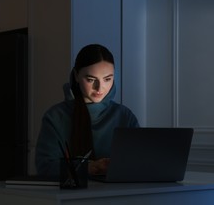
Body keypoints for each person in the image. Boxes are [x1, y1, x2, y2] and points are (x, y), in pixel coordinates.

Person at [35, 44, 139, 177]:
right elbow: (45, 167)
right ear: (76, 76)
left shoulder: (124, 116)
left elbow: (138, 163)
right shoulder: (55, 117)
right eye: (90, 79)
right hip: (69, 196)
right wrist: (88, 168)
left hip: (117, 195)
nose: (99, 88)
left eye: (107, 79)